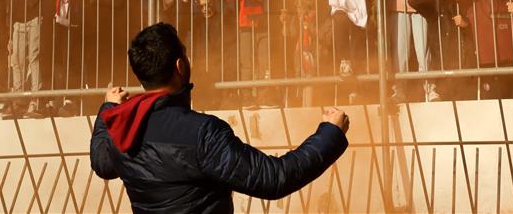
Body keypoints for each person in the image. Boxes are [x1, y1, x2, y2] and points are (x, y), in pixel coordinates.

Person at [90, 22, 349, 212]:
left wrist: (107, 109)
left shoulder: (121, 127)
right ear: (180, 66)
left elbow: (102, 163)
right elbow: (273, 179)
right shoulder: (202, 132)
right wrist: (329, 134)